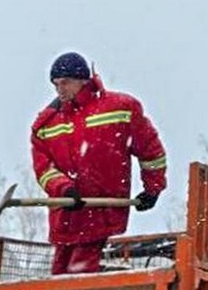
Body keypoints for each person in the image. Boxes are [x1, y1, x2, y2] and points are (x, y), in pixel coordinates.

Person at [31, 52, 167, 275]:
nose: (59, 90)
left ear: (83, 80)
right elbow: (44, 169)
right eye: (56, 85)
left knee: (77, 274)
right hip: (66, 213)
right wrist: (63, 188)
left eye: (65, 83)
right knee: (60, 274)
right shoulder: (45, 125)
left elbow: (150, 151)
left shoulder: (121, 109)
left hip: (100, 210)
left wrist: (153, 189)